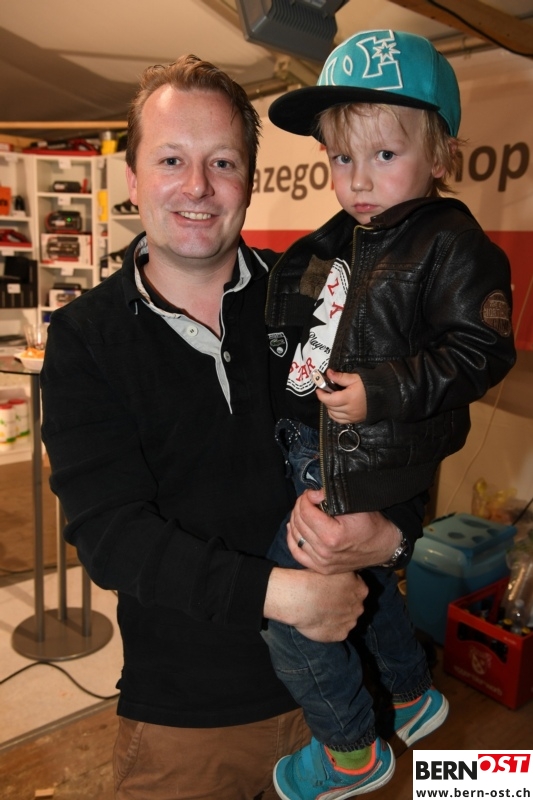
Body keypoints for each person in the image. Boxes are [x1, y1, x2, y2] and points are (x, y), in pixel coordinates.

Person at [40, 54, 428, 800]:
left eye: (221, 162)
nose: (197, 186)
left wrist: (393, 536)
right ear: (132, 179)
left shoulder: (317, 298)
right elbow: (111, 535)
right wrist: (280, 595)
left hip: (347, 702)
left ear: (249, 179)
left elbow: (397, 446)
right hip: (187, 723)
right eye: (171, 160)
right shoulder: (87, 338)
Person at [262, 30, 516, 800]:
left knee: (291, 614)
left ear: (439, 154)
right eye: (342, 159)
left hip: (361, 459)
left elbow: (480, 352)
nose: (359, 180)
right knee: (365, 586)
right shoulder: (342, 236)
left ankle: (349, 752)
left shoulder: (453, 243)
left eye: (383, 155)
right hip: (313, 443)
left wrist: (382, 389)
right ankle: (410, 695)